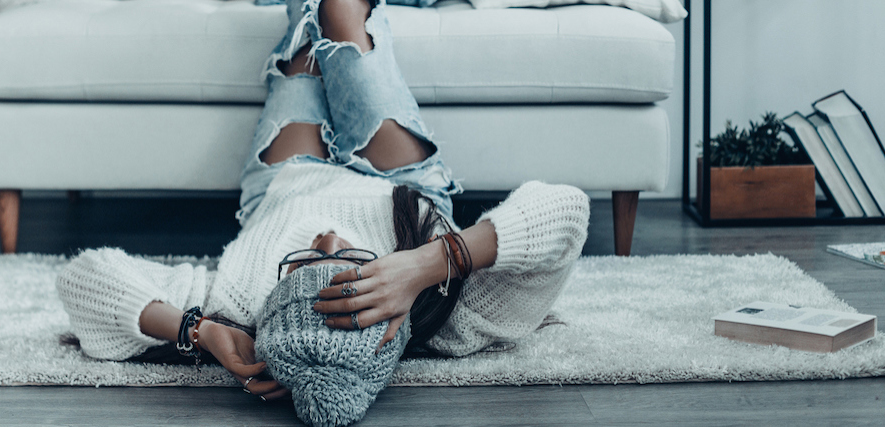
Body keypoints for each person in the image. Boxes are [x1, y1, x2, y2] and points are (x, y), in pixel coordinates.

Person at [54, 0, 591, 405]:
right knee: (337, 8)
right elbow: (566, 210)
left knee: (307, 21)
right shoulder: (449, 317)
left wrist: (202, 331)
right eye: (353, 265)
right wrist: (430, 262)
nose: (325, 239)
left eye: (304, 264)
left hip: (290, 178)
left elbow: (84, 278)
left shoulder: (241, 306)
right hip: (400, 179)